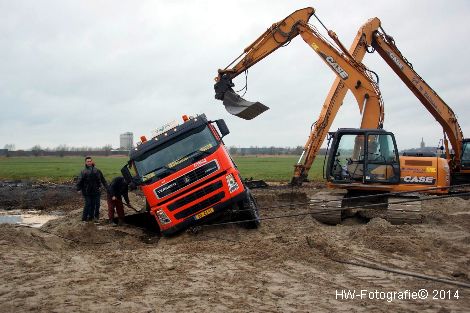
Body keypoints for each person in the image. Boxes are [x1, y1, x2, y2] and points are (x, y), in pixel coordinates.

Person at [76, 156, 108, 223]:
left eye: (90, 161)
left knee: (97, 204)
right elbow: (79, 180)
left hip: (96, 191)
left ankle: (95, 218)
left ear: (92, 161)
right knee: (88, 204)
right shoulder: (83, 171)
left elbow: (103, 180)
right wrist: (78, 189)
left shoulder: (97, 170)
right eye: (88, 161)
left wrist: (108, 188)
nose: (89, 162)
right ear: (85, 162)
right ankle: (84, 219)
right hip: (87, 191)